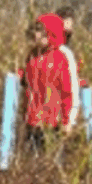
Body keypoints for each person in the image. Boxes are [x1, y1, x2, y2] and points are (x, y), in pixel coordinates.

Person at [20, 12, 78, 153]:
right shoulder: (32, 56)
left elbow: (67, 92)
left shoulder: (60, 57)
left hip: (52, 123)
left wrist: (67, 121)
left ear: (49, 33)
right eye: (34, 29)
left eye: (39, 30)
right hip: (32, 121)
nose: (35, 34)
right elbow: (27, 85)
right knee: (32, 162)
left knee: (52, 160)